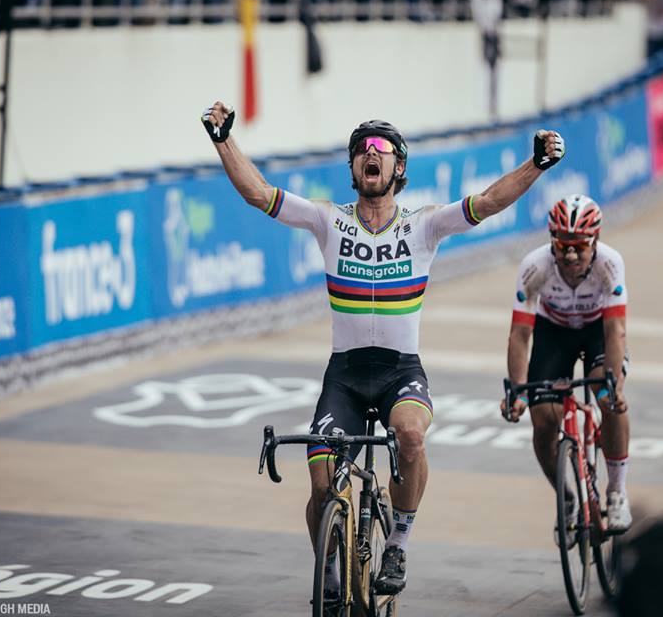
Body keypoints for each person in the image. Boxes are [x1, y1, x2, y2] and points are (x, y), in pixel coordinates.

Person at [201, 101, 564, 598]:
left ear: (398, 168)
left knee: (410, 438)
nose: (371, 153)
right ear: (353, 169)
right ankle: (328, 569)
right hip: (345, 376)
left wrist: (536, 165)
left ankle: (397, 541)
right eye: (361, 150)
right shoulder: (328, 220)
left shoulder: (426, 225)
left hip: (400, 373)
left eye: (382, 148)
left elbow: (489, 201)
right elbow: (258, 193)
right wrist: (223, 138)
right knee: (322, 482)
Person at [500, 194, 632, 541]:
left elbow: (616, 330)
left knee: (608, 398)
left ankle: (616, 492)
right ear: (552, 242)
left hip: (596, 332)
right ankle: (568, 497)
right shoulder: (535, 266)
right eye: (562, 246)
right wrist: (517, 390)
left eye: (579, 246)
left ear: (596, 241)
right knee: (543, 420)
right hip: (553, 333)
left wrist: (615, 384)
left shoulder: (610, 263)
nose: (570, 255)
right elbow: (521, 333)